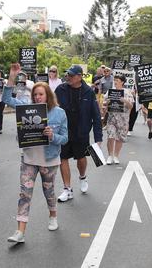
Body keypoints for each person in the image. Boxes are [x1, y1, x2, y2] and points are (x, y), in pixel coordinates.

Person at [2, 82, 68, 244]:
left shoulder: (59, 113)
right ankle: (20, 231)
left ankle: (53, 216)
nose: (37, 97)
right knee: (25, 194)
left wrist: (53, 136)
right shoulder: (26, 108)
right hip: (29, 158)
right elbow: (6, 98)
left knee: (49, 192)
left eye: (41, 94)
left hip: (50, 160)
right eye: (35, 95)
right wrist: (11, 78)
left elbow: (65, 139)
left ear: (48, 96)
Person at [55, 65, 103, 202]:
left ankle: (82, 177)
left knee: (81, 158)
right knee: (62, 158)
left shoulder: (89, 91)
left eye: (71, 75)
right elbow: (52, 106)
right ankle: (67, 189)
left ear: (79, 76)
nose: (68, 77)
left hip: (81, 132)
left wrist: (98, 139)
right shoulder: (60, 89)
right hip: (63, 131)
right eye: (67, 75)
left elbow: (95, 115)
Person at [103, 74, 133, 165]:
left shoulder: (127, 92)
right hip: (112, 118)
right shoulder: (110, 92)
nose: (115, 82)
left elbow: (131, 106)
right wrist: (107, 102)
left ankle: (116, 155)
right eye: (115, 80)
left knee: (120, 138)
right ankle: (110, 155)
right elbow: (104, 104)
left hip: (123, 119)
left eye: (117, 80)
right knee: (111, 136)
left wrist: (124, 100)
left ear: (122, 82)